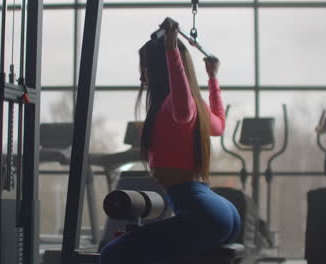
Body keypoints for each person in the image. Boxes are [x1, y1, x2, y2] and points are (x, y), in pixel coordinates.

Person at [99, 18, 241, 264]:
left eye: (144, 68)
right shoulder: (194, 106)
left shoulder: (178, 107)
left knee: (112, 254)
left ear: (156, 69)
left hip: (202, 210)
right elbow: (218, 126)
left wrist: (171, 48)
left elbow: (184, 109)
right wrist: (212, 78)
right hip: (220, 210)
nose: (142, 77)